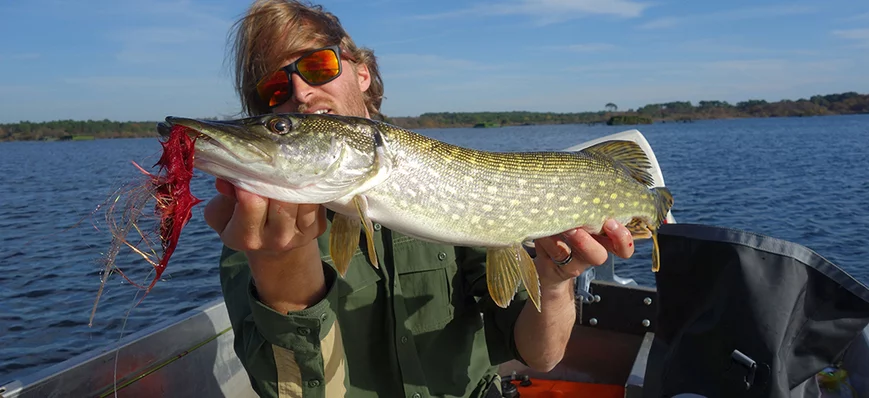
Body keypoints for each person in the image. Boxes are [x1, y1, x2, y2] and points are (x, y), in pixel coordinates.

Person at [205, 1, 635, 397]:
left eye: (317, 66)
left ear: (362, 72)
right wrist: (282, 272)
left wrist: (556, 279)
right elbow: (293, 391)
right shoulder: (251, 232)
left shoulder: (441, 174)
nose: (299, 93)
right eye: (275, 91)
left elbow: (541, 356)